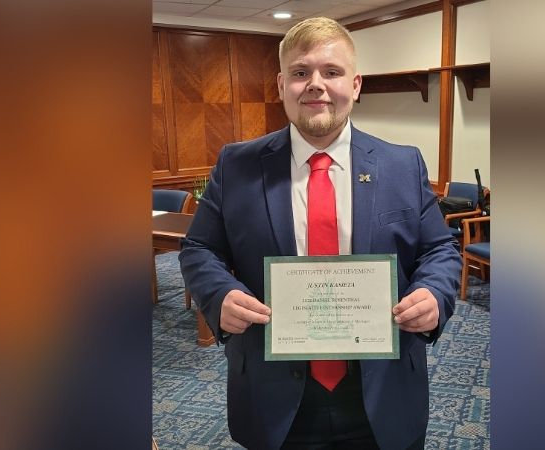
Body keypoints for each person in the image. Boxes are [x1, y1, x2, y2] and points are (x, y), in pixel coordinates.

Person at [180, 17, 460, 450]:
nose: (316, 84)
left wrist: (434, 295)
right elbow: (199, 248)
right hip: (273, 392)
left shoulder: (402, 165)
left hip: (383, 390)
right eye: (300, 72)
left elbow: (440, 249)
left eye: (331, 72)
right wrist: (218, 296)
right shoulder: (236, 165)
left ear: (356, 84)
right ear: (280, 85)